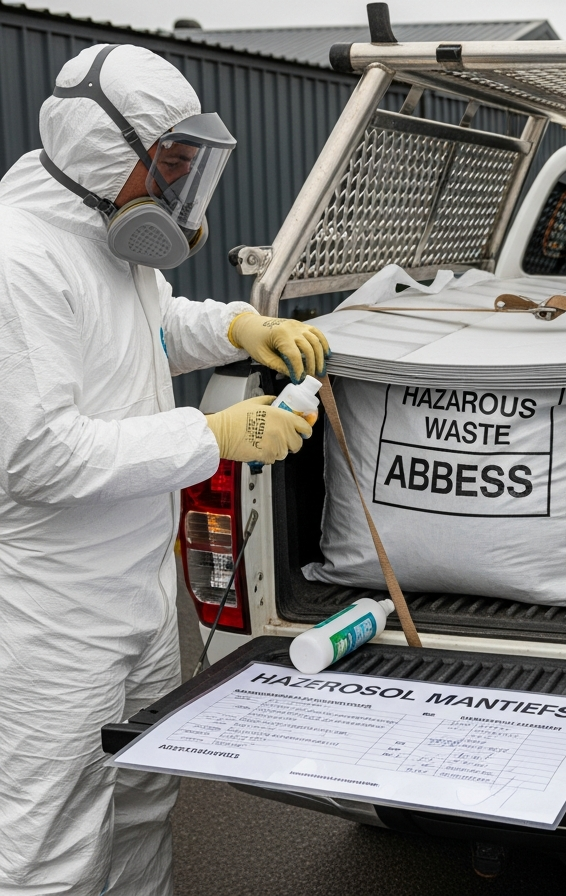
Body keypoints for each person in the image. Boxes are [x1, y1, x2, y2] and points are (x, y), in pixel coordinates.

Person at [0, 45, 330, 895]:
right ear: (109, 153)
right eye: (172, 168)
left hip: (135, 592)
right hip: (49, 612)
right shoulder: (18, 259)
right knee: (51, 841)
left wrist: (232, 328)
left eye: (190, 169)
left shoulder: (109, 236)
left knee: (145, 798)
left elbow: (146, 329)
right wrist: (214, 434)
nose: (182, 196)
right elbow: (39, 455)